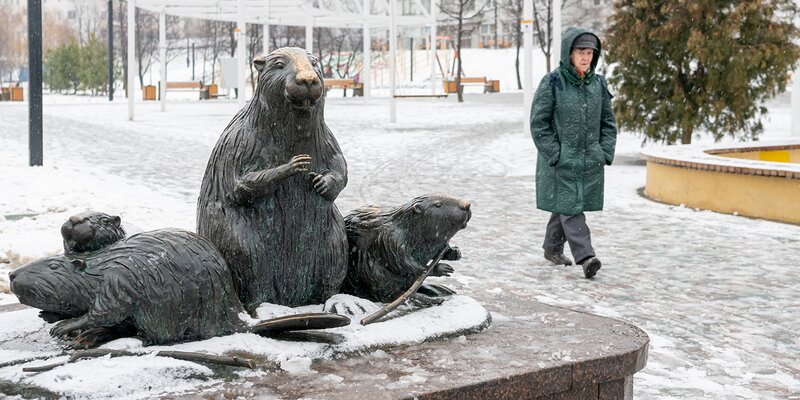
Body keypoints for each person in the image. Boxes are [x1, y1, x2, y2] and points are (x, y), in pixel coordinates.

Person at [530, 27, 617, 279]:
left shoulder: (598, 84)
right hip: (561, 162)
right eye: (581, 51)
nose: (586, 57)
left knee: (567, 205)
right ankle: (586, 256)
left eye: (590, 52)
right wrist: (555, 153)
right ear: (569, 52)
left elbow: (608, 123)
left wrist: (604, 152)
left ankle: (552, 248)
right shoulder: (553, 82)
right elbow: (539, 123)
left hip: (589, 160)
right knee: (571, 206)